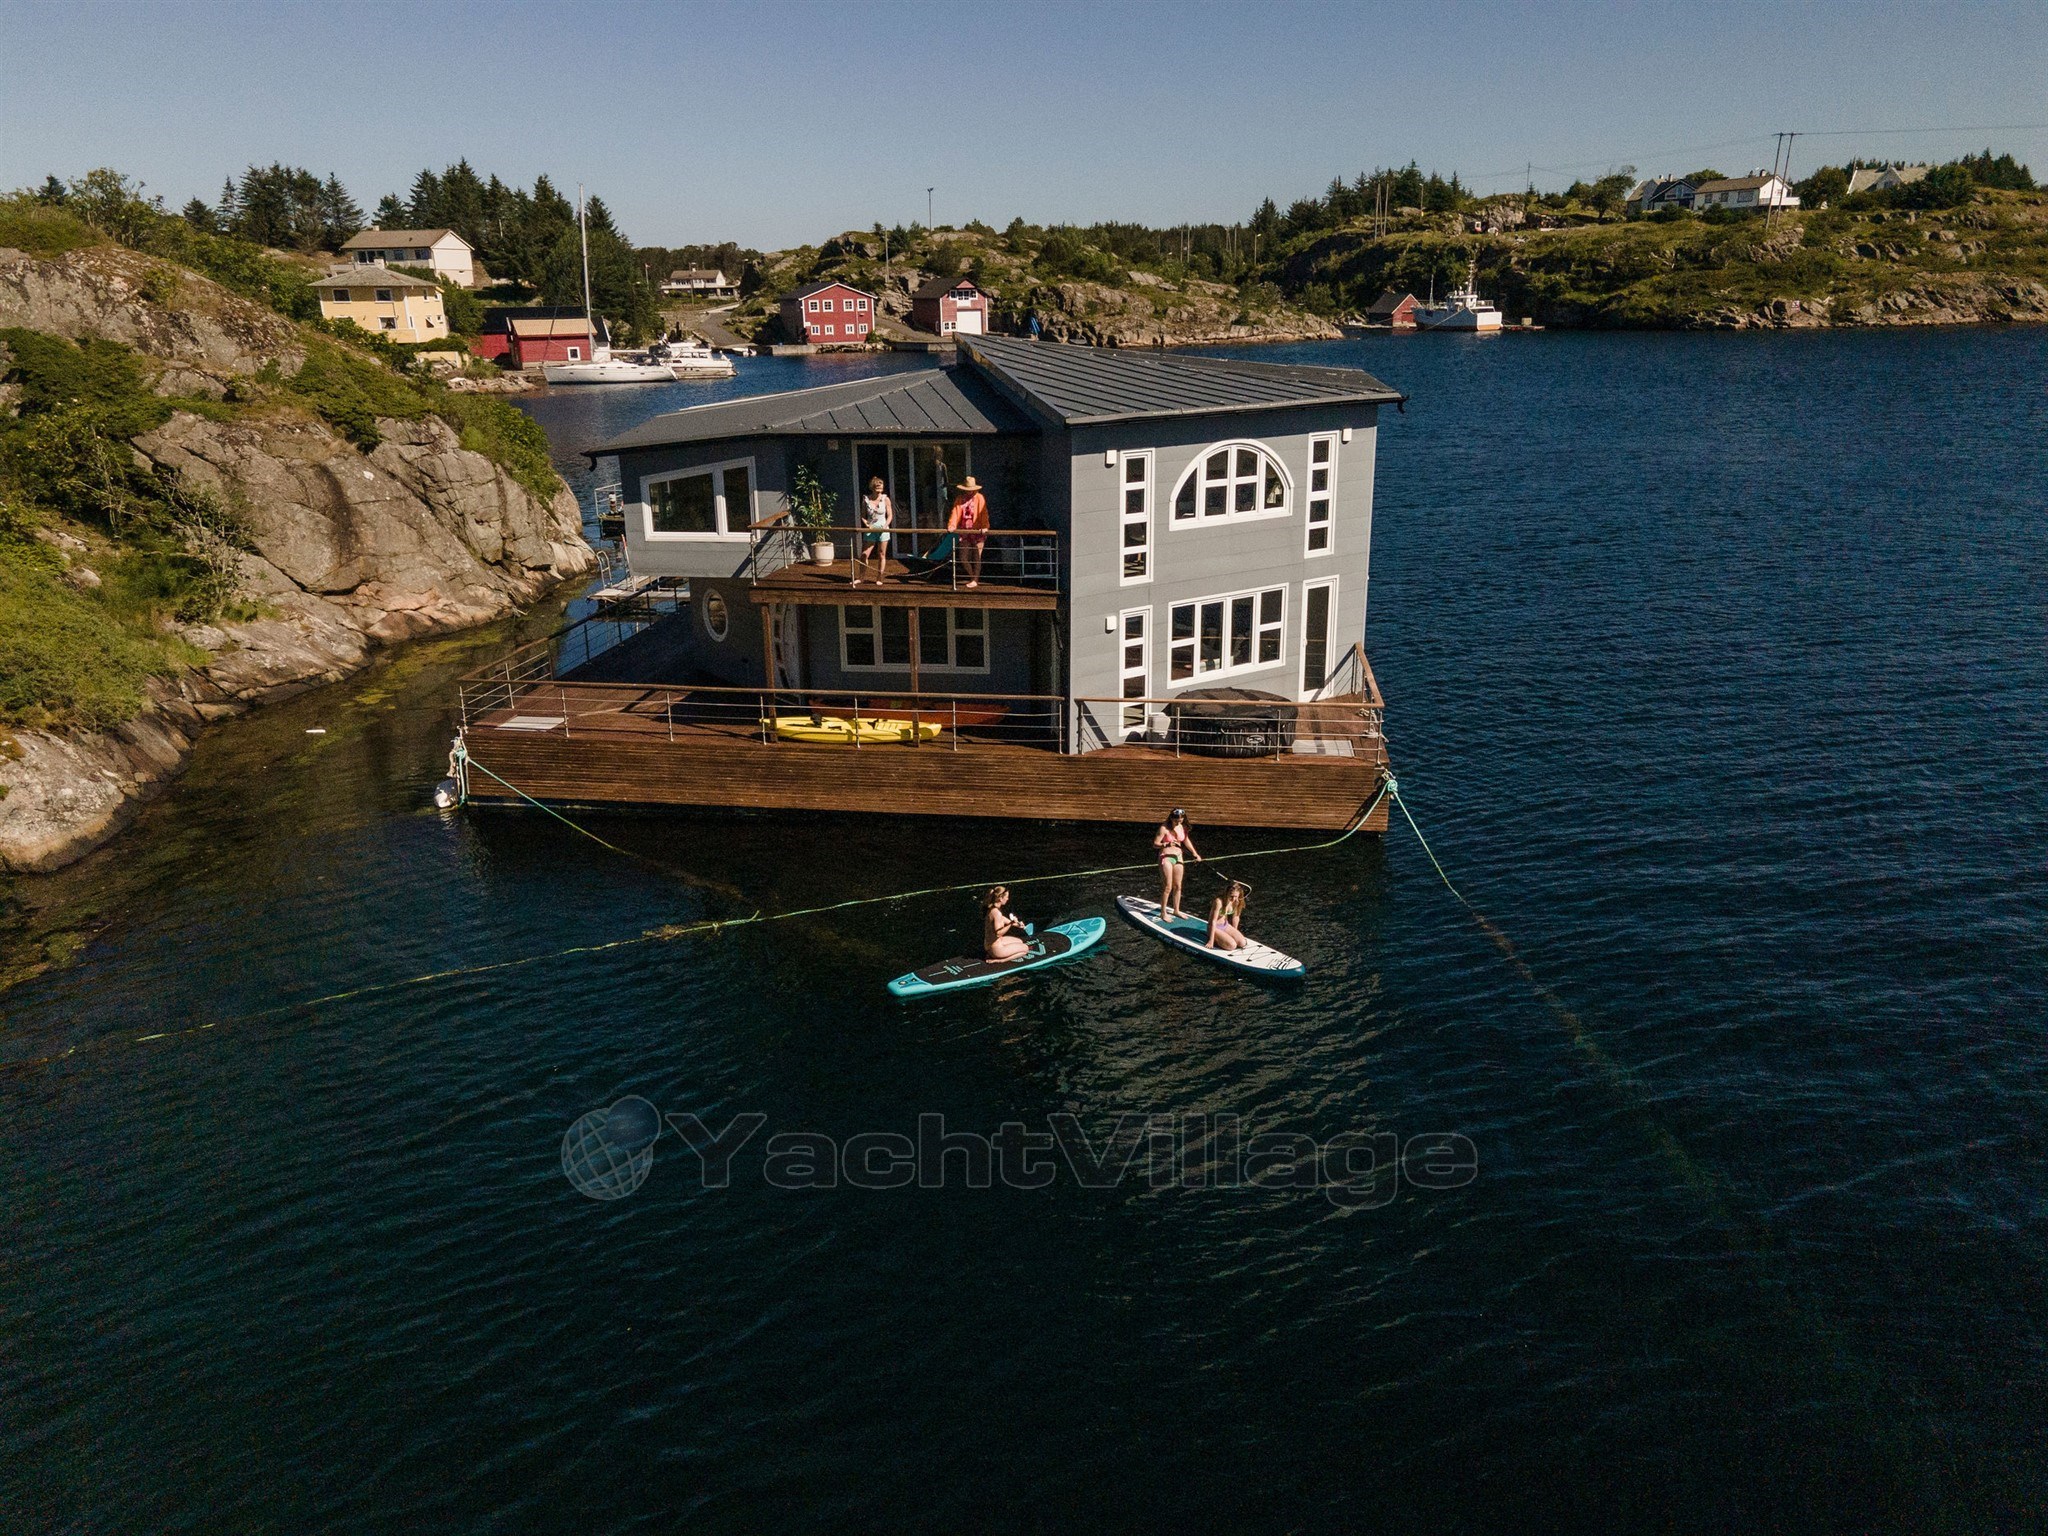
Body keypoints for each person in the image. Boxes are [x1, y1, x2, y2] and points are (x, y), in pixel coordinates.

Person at [1153, 808, 1201, 920]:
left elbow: (1186, 840)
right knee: (1168, 886)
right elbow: (1155, 844)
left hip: (1178, 857)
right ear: (1171, 818)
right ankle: (1163, 912)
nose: (1178, 822)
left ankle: (1176, 910)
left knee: (1178, 886)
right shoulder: (1163, 828)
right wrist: (1166, 844)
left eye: (1180, 820)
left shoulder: (1182, 827)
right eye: (1176, 820)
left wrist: (1195, 853)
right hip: (1166, 857)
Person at [946, 475, 989, 589]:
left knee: (977, 557)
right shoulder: (960, 499)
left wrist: (985, 527)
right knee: (963, 558)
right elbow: (955, 513)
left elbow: (983, 513)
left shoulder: (980, 498)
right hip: (964, 531)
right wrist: (952, 525)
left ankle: (975, 579)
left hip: (978, 531)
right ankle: (972, 576)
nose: (969, 492)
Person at [853, 475, 893, 586]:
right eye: (877, 487)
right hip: (871, 529)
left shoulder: (886, 499)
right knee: (864, 554)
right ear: (873, 487)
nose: (879, 489)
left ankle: (879, 578)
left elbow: (890, 515)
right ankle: (861, 578)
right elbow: (863, 515)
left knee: (881, 554)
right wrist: (866, 524)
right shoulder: (866, 499)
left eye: (881, 487)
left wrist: (885, 525)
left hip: (883, 528)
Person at [983, 885, 1030, 962]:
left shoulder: (992, 909)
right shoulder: (996, 913)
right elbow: (998, 933)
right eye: (1006, 897)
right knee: (1025, 948)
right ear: (1001, 898)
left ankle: (991, 954)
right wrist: (1011, 924)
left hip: (991, 945)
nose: (1008, 899)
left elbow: (1004, 919)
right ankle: (1000, 960)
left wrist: (1017, 924)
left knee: (1020, 941)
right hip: (996, 949)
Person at [1207, 880, 1249, 952]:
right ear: (1227, 893)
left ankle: (1225, 938)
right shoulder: (1218, 902)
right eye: (1231, 896)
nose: (1233, 899)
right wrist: (1211, 940)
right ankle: (1218, 940)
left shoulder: (1237, 901)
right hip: (1214, 927)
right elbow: (1213, 921)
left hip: (1225, 926)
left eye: (1235, 896)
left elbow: (1236, 917)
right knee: (1232, 946)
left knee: (1242, 943)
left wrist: (1234, 932)